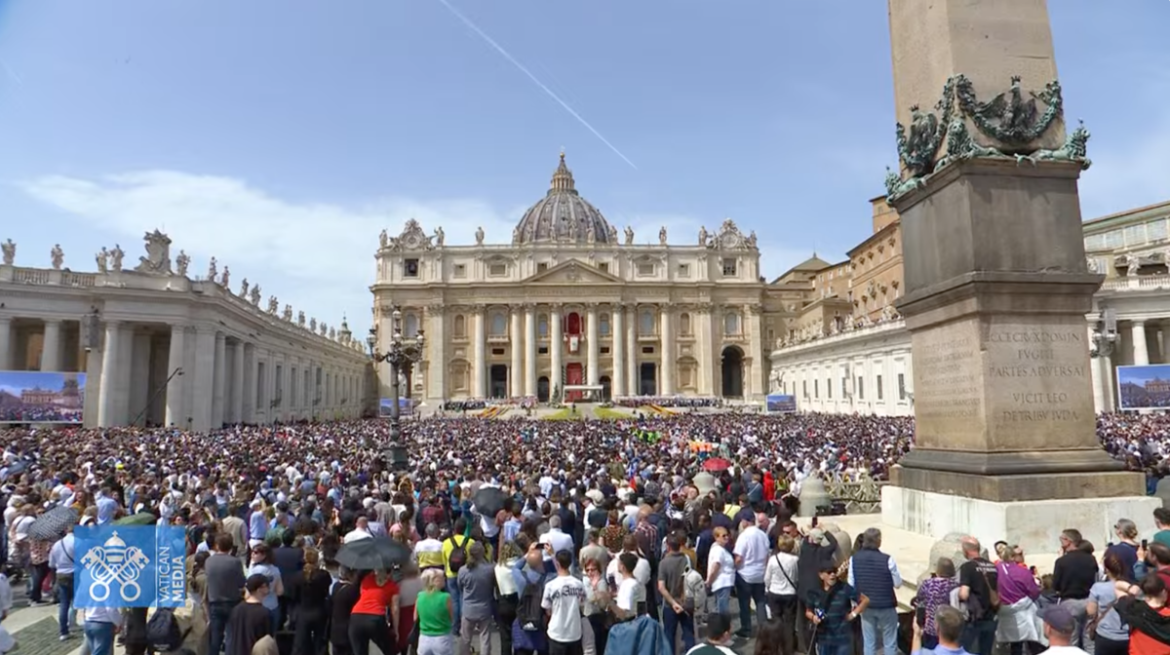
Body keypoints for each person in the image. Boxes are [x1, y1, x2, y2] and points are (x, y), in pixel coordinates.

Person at [849, 528, 902, 655]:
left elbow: (851, 585)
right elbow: (898, 583)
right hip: (886, 604)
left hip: (866, 606)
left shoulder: (854, 559)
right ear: (878, 541)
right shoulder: (887, 559)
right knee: (890, 642)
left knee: (869, 642)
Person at [805, 563, 868, 655]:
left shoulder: (844, 588)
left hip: (843, 638)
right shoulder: (814, 592)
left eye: (834, 572)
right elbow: (808, 611)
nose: (833, 574)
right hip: (824, 639)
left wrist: (853, 615)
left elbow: (865, 600)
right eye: (829, 572)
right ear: (821, 575)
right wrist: (814, 617)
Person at [206, 533, 247, 655]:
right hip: (232, 602)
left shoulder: (209, 561)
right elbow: (241, 582)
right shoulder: (235, 562)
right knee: (231, 636)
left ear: (217, 545)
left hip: (215, 602)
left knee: (215, 638)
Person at [957, 537, 998, 655]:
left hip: (974, 618)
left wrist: (957, 594)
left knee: (966, 651)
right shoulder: (992, 566)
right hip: (991, 616)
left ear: (966, 550)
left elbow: (964, 594)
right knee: (986, 651)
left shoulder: (967, 567)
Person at [543, 549, 587, 655]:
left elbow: (547, 609)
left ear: (557, 563)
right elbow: (582, 604)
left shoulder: (550, 586)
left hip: (557, 632)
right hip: (574, 632)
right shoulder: (579, 584)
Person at [659, 533, 696, 655]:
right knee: (689, 633)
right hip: (686, 602)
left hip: (670, 604)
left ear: (668, 546)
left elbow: (661, 587)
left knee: (669, 635)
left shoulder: (664, 563)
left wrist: (673, 603)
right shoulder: (687, 559)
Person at [457, 541, 496, 655]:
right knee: (485, 638)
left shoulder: (463, 570)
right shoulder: (489, 569)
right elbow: (493, 585)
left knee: (465, 638)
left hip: (468, 608)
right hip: (485, 608)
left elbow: (460, 586)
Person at [349, 568, 400, 655]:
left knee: (359, 652)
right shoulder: (392, 586)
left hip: (356, 615)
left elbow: (362, 593)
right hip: (375, 617)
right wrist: (396, 630)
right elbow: (395, 609)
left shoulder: (367, 579)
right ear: (390, 573)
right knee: (389, 649)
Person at [1086, 553, 1129, 655]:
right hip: (1126, 636)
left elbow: (1090, 611)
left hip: (1105, 634)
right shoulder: (1130, 588)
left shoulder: (1098, 588)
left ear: (1107, 570)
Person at [291, 548, 331, 655]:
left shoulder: (298, 576)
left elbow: (295, 596)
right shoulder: (324, 575)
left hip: (303, 611)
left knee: (301, 644)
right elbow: (326, 591)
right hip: (319, 610)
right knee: (320, 643)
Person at [763, 534, 799, 655]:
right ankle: (789, 649)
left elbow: (767, 577)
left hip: (774, 592)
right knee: (789, 623)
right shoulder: (795, 560)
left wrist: (768, 588)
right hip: (790, 593)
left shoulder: (773, 559)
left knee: (775, 621)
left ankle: (775, 646)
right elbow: (797, 577)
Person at [915, 558, 958, 650]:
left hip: (931, 626)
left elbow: (919, 599)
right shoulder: (956, 585)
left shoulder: (928, 583)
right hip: (949, 628)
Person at [226, 574, 274, 655]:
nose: (269, 588)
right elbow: (267, 642)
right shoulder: (265, 613)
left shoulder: (236, 609)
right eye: (266, 586)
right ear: (259, 590)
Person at [246, 543, 284, 634]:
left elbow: (248, 592)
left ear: (264, 555)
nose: (252, 555)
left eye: (255, 553)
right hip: (273, 606)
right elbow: (280, 591)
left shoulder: (255, 571)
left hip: (258, 607)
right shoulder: (275, 569)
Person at [415, 568, 454, 655]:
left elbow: (415, 617)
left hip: (424, 638)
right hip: (442, 637)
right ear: (433, 581)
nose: (444, 579)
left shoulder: (420, 596)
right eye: (441, 578)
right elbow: (451, 617)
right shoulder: (446, 597)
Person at [707, 527, 736, 617]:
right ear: (716, 537)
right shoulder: (718, 550)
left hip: (722, 582)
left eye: (727, 535)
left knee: (719, 607)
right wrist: (709, 580)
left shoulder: (720, 548)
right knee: (722, 609)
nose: (726, 537)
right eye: (723, 536)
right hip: (722, 582)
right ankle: (723, 626)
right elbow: (716, 565)